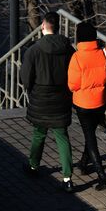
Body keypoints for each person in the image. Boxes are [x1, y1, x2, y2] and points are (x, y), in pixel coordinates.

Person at [20, 11, 76, 192]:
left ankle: (33, 165)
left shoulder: (33, 50)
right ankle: (67, 177)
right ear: (58, 26)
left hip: (41, 98)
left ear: (43, 25)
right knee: (62, 136)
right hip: (61, 97)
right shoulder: (68, 49)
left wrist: (31, 89)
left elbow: (26, 78)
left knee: (39, 134)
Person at [68, 22, 106, 191]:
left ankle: (103, 177)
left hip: (82, 104)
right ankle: (84, 164)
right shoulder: (105, 52)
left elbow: (73, 85)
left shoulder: (77, 57)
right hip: (100, 101)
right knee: (90, 132)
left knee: (90, 138)